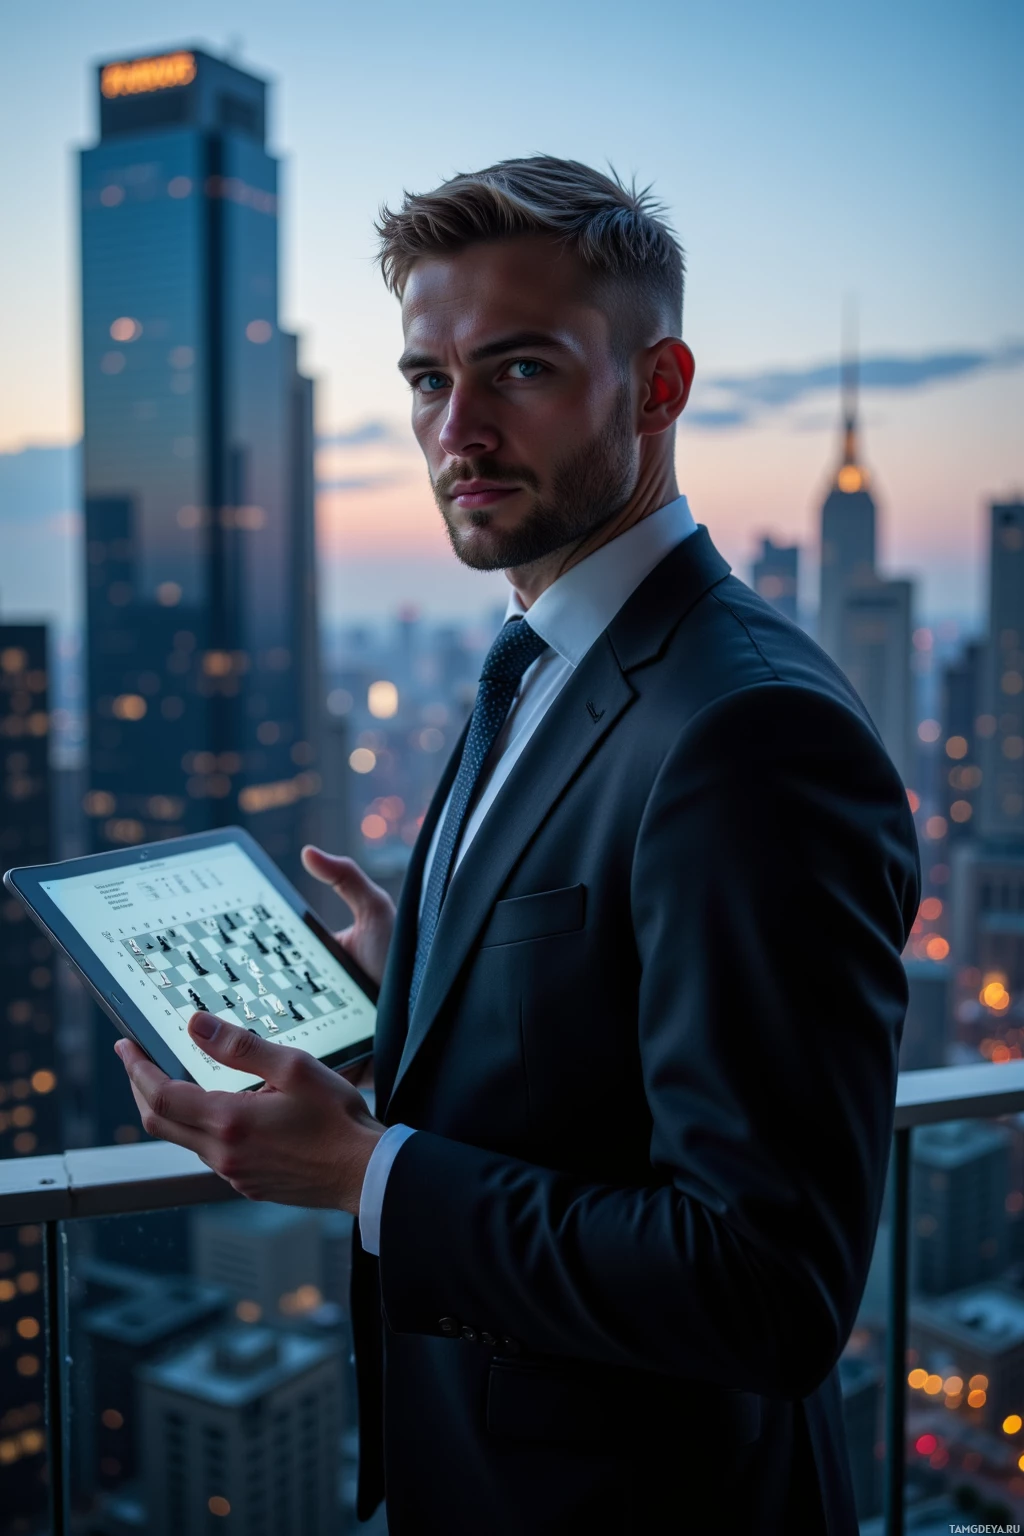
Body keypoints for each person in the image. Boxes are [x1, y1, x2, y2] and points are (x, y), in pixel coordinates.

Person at [118, 157, 920, 1534]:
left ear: (658, 388)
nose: (457, 431)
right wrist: (429, 969)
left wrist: (365, 1173)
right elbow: (604, 1008)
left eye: (523, 371)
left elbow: (765, 1286)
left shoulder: (752, 731)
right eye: (429, 380)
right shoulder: (546, 655)